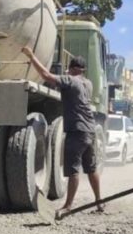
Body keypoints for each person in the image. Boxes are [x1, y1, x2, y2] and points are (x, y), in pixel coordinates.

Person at [21, 47, 104, 218]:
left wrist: (31, 56)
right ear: (83, 70)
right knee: (91, 168)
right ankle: (98, 201)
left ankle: (67, 206)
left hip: (76, 130)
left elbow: (46, 76)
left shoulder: (70, 80)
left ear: (73, 69)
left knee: (73, 170)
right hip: (90, 130)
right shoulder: (88, 83)